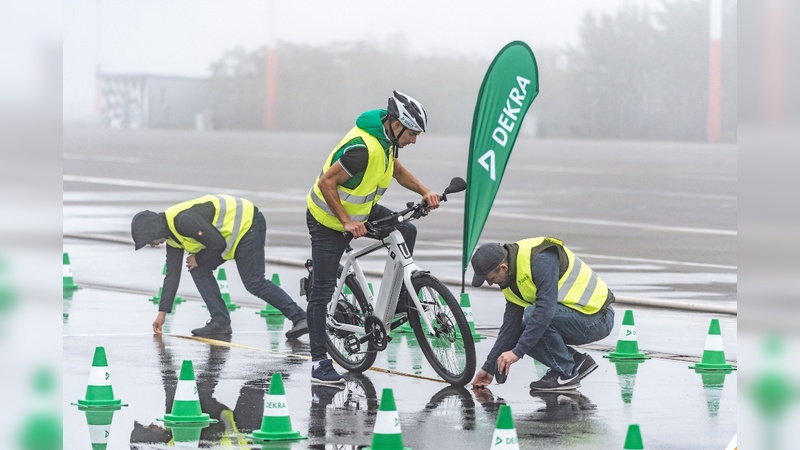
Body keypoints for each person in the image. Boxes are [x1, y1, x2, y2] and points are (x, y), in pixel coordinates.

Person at [305, 91, 441, 384]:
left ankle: (402, 300)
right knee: (321, 294)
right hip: (328, 219)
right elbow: (326, 183)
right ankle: (318, 364)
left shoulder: (388, 141)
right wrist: (346, 222)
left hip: (360, 211)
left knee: (406, 229)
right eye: (413, 133)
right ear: (395, 124)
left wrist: (424, 192)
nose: (414, 140)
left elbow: (397, 170)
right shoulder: (363, 149)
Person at [131, 194, 308, 339]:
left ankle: (300, 317)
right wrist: (162, 313)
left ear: (153, 231)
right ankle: (220, 322)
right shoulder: (172, 237)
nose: (151, 245)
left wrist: (199, 259)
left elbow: (217, 243)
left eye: (148, 241)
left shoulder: (182, 220)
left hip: (248, 224)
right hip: (229, 236)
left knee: (254, 282)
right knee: (197, 268)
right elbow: (172, 275)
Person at [469, 237, 615, 391]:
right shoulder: (510, 279)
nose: (490, 284)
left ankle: (567, 374)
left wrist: (517, 353)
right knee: (524, 328)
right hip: (574, 316)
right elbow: (510, 327)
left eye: (490, 279)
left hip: (598, 318)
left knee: (534, 316)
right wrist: (488, 368)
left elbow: (545, 312)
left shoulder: (540, 260)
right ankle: (576, 362)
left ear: (503, 267)